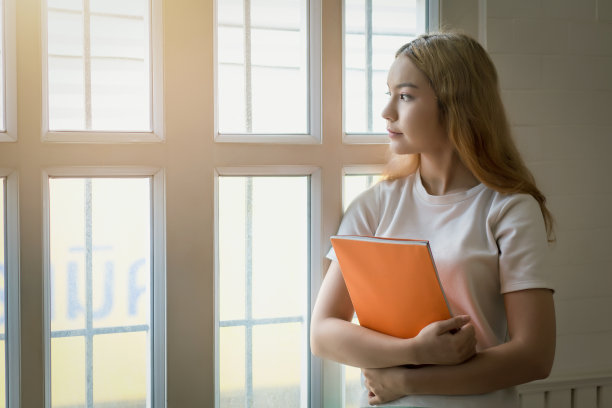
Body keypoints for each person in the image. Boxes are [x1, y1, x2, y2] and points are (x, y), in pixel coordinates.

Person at [310, 32, 556, 408]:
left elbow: (534, 356)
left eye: (405, 96)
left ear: (456, 104)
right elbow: (323, 333)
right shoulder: (374, 205)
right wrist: (415, 349)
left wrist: (409, 380)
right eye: (388, 94)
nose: (387, 112)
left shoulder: (508, 209)